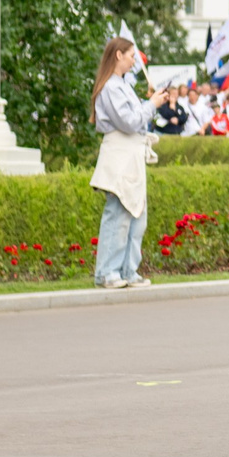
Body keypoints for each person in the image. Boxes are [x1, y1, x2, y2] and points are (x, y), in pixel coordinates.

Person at [89, 39, 155, 290]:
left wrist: (149, 105)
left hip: (131, 153)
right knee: (118, 213)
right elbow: (129, 121)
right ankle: (108, 272)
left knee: (137, 213)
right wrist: (152, 105)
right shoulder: (111, 87)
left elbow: (136, 121)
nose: (134, 60)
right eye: (130, 55)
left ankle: (128, 270)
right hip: (119, 154)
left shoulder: (122, 85)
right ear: (118, 55)